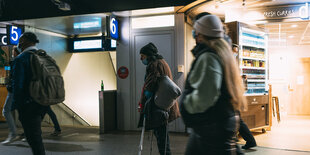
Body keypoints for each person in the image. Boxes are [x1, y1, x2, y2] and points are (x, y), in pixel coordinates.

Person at [180, 14, 247, 154]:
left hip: (210, 126)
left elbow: (206, 95)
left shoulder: (208, 57)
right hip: (220, 123)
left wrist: (186, 103)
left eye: (195, 32)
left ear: (200, 35)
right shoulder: (224, 53)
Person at [137, 42, 180, 155]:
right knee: (163, 138)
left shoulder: (154, 64)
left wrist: (143, 102)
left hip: (159, 107)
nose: (141, 58)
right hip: (164, 105)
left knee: (162, 139)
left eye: (143, 56)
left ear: (149, 55)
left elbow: (150, 86)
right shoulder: (162, 62)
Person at [11, 32, 49, 155]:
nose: (19, 44)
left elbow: (18, 85)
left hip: (28, 105)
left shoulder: (21, 59)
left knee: (34, 140)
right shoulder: (43, 56)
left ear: (25, 42)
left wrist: (15, 106)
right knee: (36, 138)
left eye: (20, 41)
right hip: (43, 102)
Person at [232, 44, 257, 149]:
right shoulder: (231, 62)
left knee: (237, 119)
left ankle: (247, 141)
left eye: (236, 52)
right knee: (237, 119)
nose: (235, 54)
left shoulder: (229, 62)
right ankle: (247, 141)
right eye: (234, 51)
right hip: (234, 95)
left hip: (232, 96)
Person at [1, 47, 20, 145]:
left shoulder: (17, 61)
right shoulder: (16, 61)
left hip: (14, 91)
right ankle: (19, 133)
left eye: (13, 51)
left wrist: (9, 86)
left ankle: (13, 134)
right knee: (21, 112)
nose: (12, 53)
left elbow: (15, 77)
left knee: (6, 110)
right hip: (19, 91)